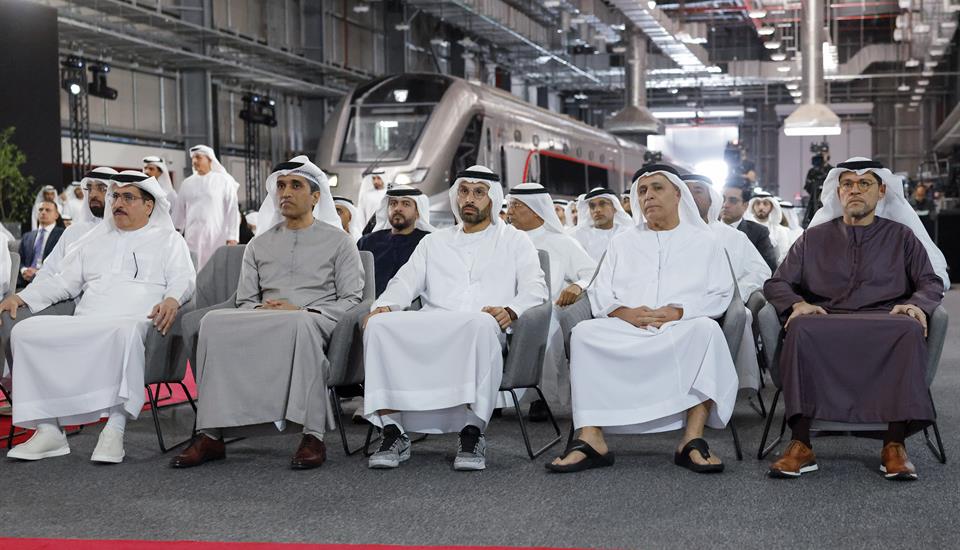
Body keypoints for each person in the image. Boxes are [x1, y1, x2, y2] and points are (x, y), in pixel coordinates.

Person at [171, 157, 362, 470]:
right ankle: (211, 434)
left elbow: (351, 299)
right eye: (281, 186)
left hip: (316, 316)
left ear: (316, 197)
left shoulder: (340, 242)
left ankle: (313, 435)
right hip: (265, 316)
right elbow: (245, 300)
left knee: (298, 323)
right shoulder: (259, 244)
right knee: (213, 322)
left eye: (295, 186)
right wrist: (263, 309)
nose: (285, 192)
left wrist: (301, 308)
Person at [764, 158, 947, 481]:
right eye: (848, 184)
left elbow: (930, 281)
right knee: (800, 327)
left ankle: (894, 444)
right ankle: (801, 443)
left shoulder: (902, 237)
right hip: (826, 318)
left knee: (907, 329)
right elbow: (777, 283)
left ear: (881, 192)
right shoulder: (813, 239)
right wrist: (797, 303)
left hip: (884, 319)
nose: (855, 190)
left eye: (864, 184)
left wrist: (917, 304)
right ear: (839, 192)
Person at [547, 164, 738, 474]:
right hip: (627, 326)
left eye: (657, 188)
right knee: (584, 333)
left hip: (680, 326)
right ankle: (592, 438)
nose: (648, 196)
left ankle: (691, 440)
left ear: (678, 194)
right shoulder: (623, 241)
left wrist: (679, 311)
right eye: (642, 191)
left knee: (707, 330)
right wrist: (625, 313)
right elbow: (600, 292)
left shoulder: (706, 242)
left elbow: (721, 293)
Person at [1, 171, 195, 463]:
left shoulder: (169, 240)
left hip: (138, 320)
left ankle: (114, 429)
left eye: (128, 197)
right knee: (25, 332)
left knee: (124, 331)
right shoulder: (95, 240)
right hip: (89, 319)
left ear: (148, 205)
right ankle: (48, 429)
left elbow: (185, 278)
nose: (118, 202)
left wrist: (172, 298)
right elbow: (62, 282)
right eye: (115, 196)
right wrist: (22, 296)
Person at [361, 165, 547, 471]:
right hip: (434, 323)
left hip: (484, 325)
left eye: (478, 192)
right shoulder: (435, 241)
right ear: (455, 196)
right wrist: (386, 305)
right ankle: (393, 430)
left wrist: (510, 310)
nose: (469, 199)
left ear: (492, 198)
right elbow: (405, 281)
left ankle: (472, 431)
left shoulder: (515, 241)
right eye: (464, 191)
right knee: (379, 324)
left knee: (479, 323)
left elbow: (535, 288)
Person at [507, 183, 596, 416]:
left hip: (547, 308)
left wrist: (577, 286)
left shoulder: (561, 242)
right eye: (510, 204)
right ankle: (495, 396)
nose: (510, 211)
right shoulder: (504, 240)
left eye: (517, 205)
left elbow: (591, 273)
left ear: (536, 210)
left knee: (545, 326)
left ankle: (541, 397)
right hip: (504, 306)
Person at [684, 173, 770, 393]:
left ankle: (714, 388)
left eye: (698, 191)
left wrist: (730, 295)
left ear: (712, 200)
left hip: (722, 309)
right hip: (672, 310)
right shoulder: (662, 236)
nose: (690, 195)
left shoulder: (732, 237)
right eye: (685, 190)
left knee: (739, 314)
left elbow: (760, 272)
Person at [357, 185, 435, 297]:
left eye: (406, 204)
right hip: (369, 307)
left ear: (418, 212)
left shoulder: (429, 242)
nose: (398, 208)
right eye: (393, 203)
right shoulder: (367, 242)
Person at [173, 144, 240, 269]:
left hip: (217, 236)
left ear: (209, 159)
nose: (194, 161)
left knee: (216, 270)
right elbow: (179, 212)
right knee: (193, 269)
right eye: (193, 158)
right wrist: (175, 233)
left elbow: (232, 210)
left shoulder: (224, 181)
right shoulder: (187, 183)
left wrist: (232, 237)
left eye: (198, 157)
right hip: (192, 236)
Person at [721, 184, 777, 272]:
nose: (725, 205)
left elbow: (768, 268)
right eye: (723, 199)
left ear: (745, 205)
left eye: (733, 200)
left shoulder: (759, 233)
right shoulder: (708, 228)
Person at [568, 187, 632, 261]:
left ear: (614, 208)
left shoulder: (626, 234)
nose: (597, 210)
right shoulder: (577, 237)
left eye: (602, 204)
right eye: (592, 206)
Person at [18, 201, 64, 288]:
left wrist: (38, 272)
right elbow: (19, 259)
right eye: (40, 209)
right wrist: (24, 270)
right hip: (24, 281)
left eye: (48, 210)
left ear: (56, 215)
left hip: (49, 281)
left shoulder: (63, 235)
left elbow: (62, 261)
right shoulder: (27, 236)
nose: (43, 212)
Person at [746, 192, 799, 265]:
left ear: (772, 207)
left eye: (765, 203)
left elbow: (781, 258)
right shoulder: (744, 228)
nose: (761, 207)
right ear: (752, 206)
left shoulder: (780, 231)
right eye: (757, 203)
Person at [802, 144, 832, 227]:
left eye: (824, 153)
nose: (822, 156)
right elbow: (808, 188)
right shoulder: (812, 172)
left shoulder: (832, 171)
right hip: (814, 202)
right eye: (821, 154)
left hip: (829, 204)